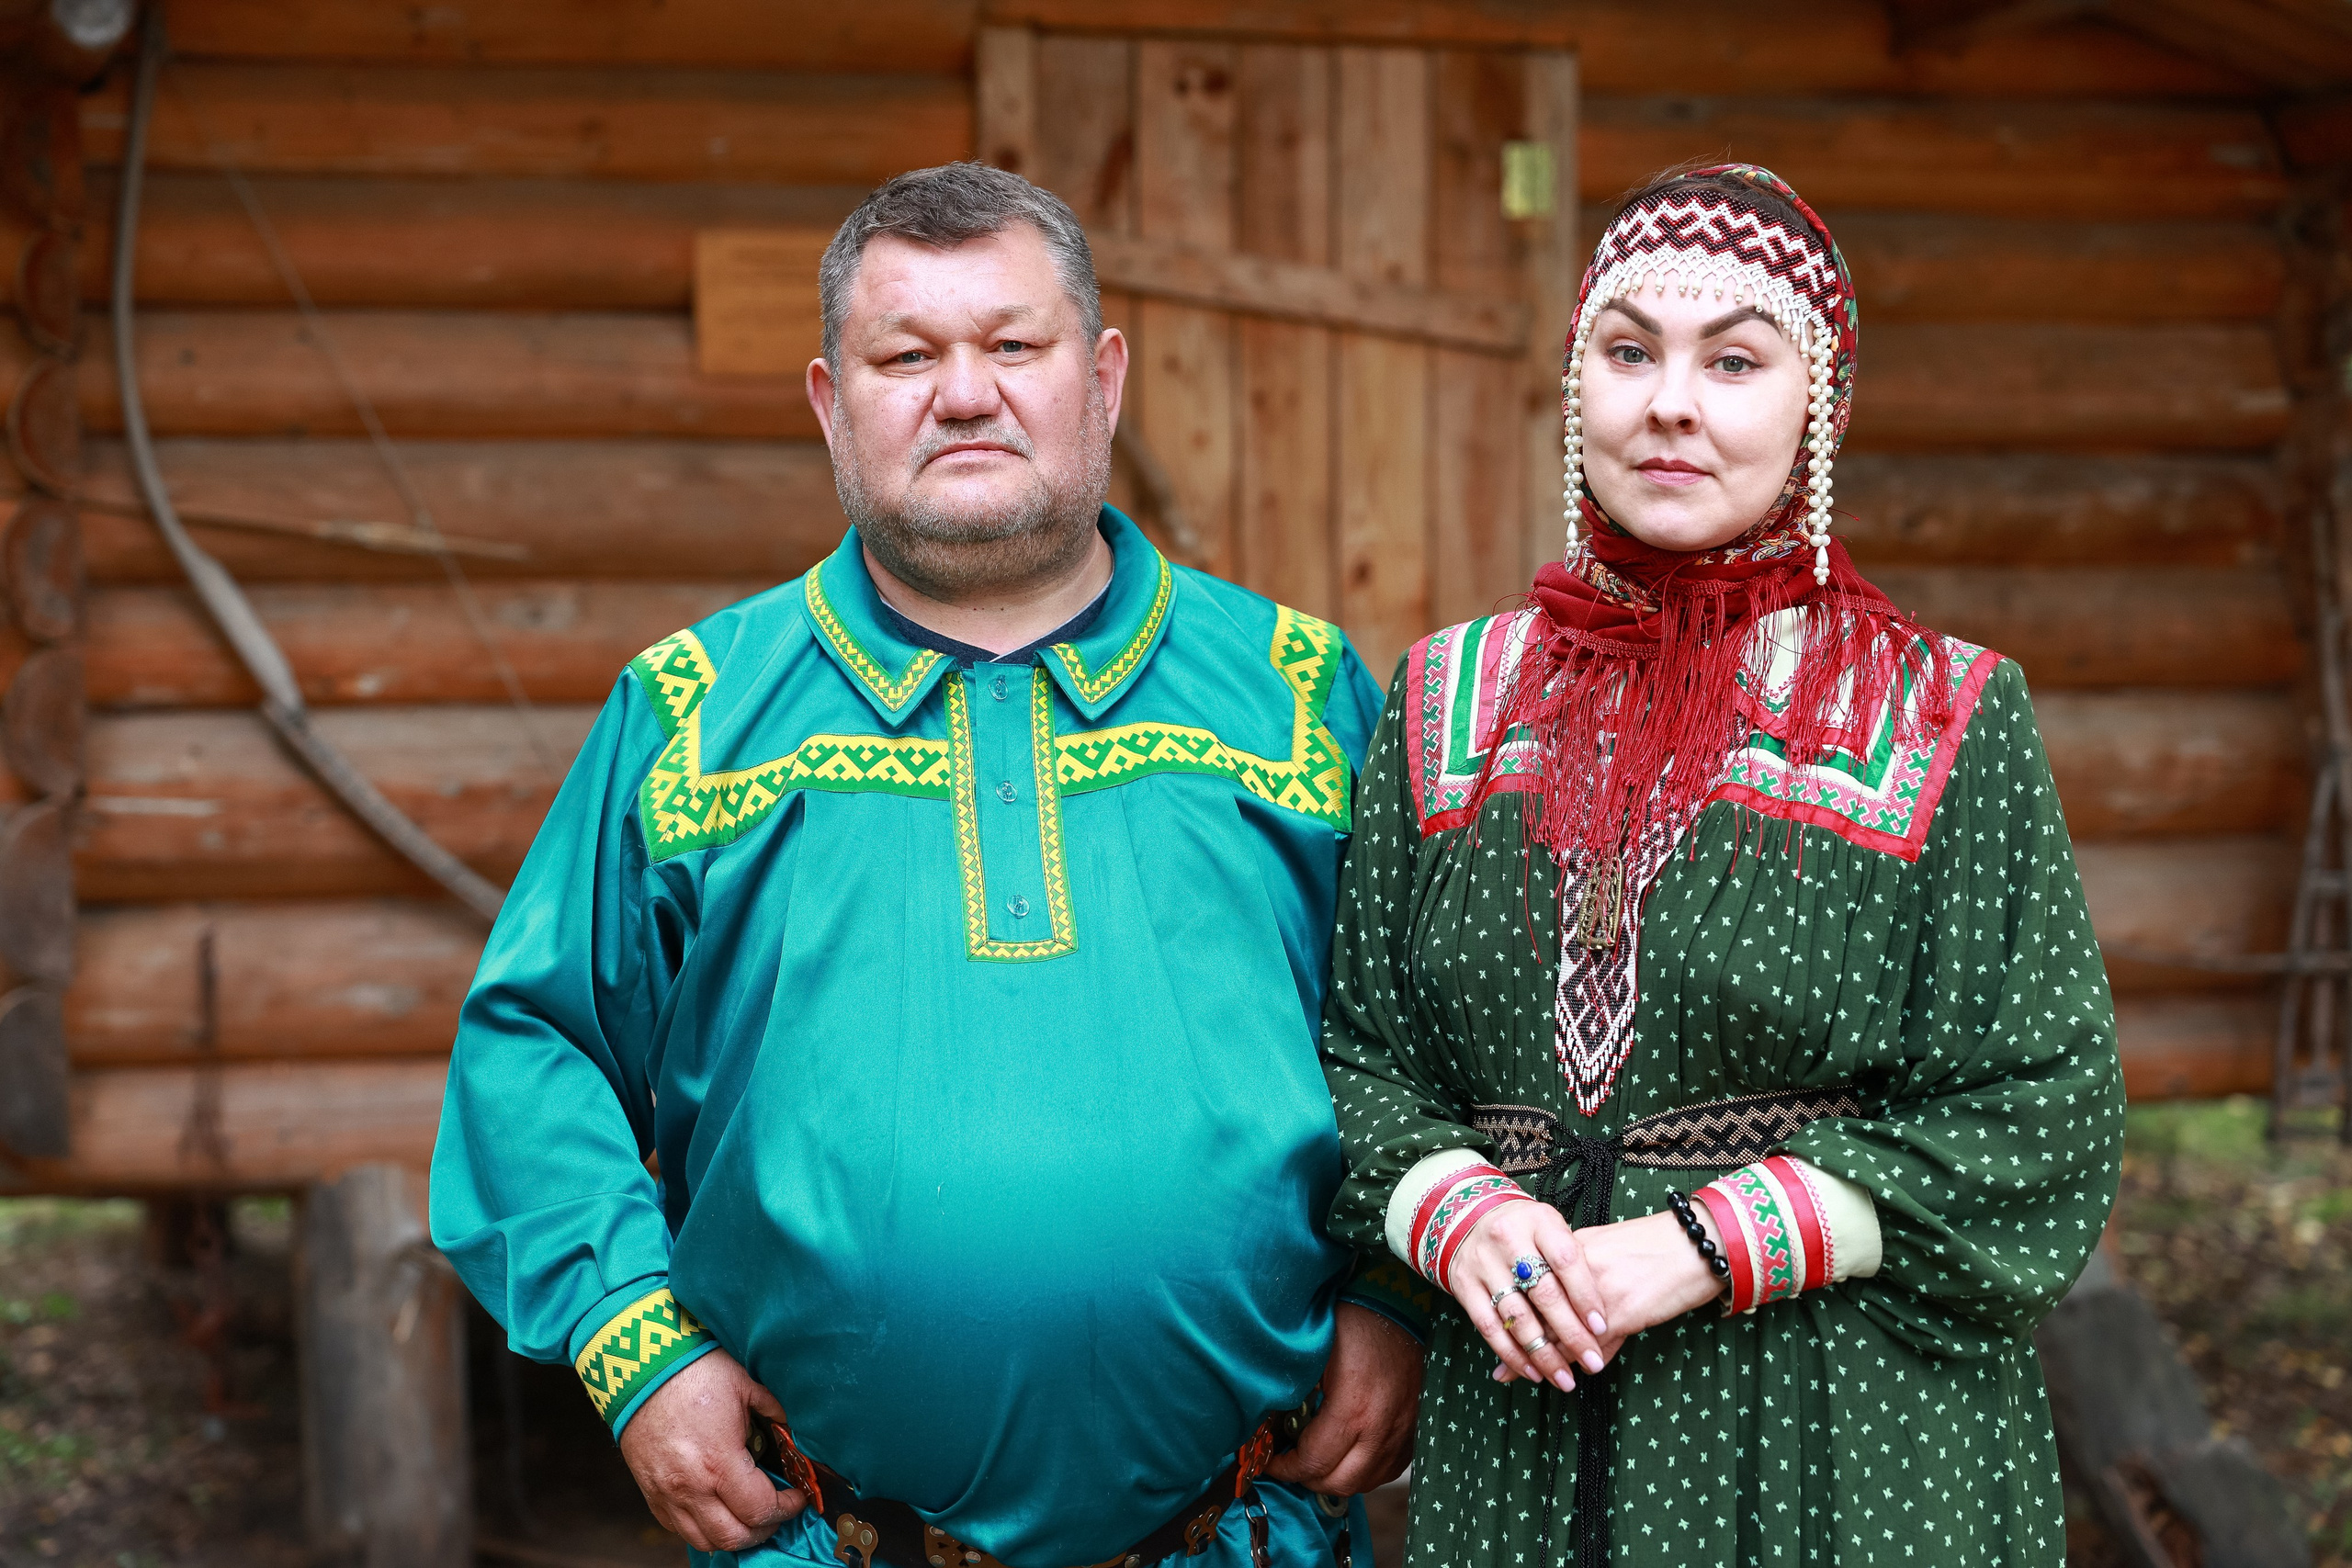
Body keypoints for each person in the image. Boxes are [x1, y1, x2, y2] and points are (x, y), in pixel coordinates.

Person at [431, 162, 1430, 1568]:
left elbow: (1430, 1034)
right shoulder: (693, 713)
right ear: (832, 404)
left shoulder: (1297, 692)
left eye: (1013, 344)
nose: (966, 393)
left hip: (1244, 1531)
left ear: (1103, 377)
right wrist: (633, 1346)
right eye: (906, 357)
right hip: (828, 1536)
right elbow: (533, 1048)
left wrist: (1395, 1297)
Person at [1317, 164, 2123, 1567]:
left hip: (1843, 1443)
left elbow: (2042, 1115)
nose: (1670, 404)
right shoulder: (1448, 700)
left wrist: (1700, 1244)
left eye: (1735, 362)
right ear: (1577, 386)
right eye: (1629, 352)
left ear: (1820, 405)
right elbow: (1360, 1050)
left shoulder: (1941, 715)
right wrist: (1455, 1210)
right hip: (1522, 1441)